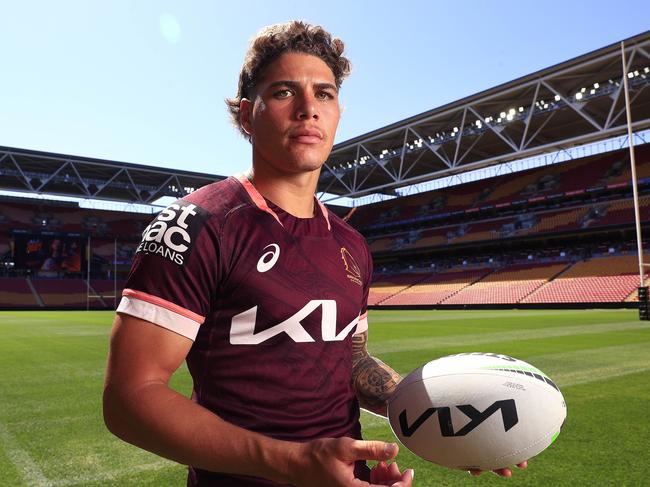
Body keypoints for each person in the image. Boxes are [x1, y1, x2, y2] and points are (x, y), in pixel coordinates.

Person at [103, 21, 524, 486]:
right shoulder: (197, 223)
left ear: (339, 113)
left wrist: (449, 420)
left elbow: (351, 358)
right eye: (285, 92)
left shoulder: (351, 243)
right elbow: (129, 399)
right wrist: (293, 463)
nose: (309, 109)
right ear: (247, 114)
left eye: (324, 94)